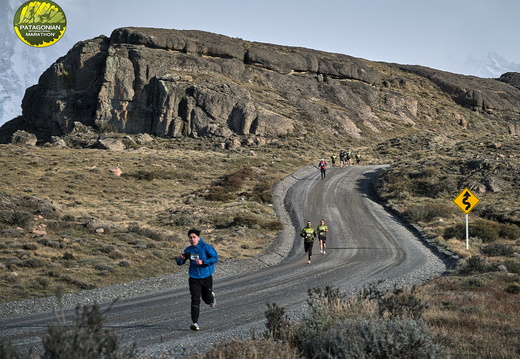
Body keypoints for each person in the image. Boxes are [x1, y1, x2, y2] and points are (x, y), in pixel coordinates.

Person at [176, 228, 218, 331]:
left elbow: (215, 258)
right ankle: (195, 323)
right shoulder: (188, 250)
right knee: (195, 299)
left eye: (194, 237)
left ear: (198, 238)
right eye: (190, 238)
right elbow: (180, 262)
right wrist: (180, 259)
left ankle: (211, 297)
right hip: (194, 278)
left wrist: (203, 262)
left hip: (206, 277)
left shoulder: (205, 247)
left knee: (207, 299)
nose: (192, 239)